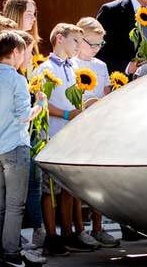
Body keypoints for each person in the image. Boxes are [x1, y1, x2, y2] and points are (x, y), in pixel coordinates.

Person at [0, 30, 47, 267]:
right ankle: (11, 255)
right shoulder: (17, 80)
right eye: (25, 52)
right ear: (15, 52)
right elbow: (23, 116)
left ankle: (1, 254)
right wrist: (39, 104)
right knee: (15, 205)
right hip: (14, 146)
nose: (26, 56)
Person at [33, 23, 98, 254]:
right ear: (60, 38)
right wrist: (68, 113)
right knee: (50, 188)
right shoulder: (44, 69)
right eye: (75, 42)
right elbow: (42, 102)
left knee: (69, 188)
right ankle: (52, 236)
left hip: (69, 135)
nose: (78, 47)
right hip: (51, 134)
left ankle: (69, 232)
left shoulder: (73, 67)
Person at [71, 17, 120, 248]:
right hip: (76, 127)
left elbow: (108, 94)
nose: (96, 49)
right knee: (77, 183)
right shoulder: (71, 65)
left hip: (98, 128)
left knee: (98, 181)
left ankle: (98, 227)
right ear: (79, 40)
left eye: (100, 44)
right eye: (91, 44)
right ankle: (79, 229)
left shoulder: (100, 66)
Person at [2, 0, 42, 74]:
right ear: (16, 14)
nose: (34, 18)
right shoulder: (5, 43)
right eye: (29, 14)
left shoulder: (30, 42)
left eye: (34, 14)